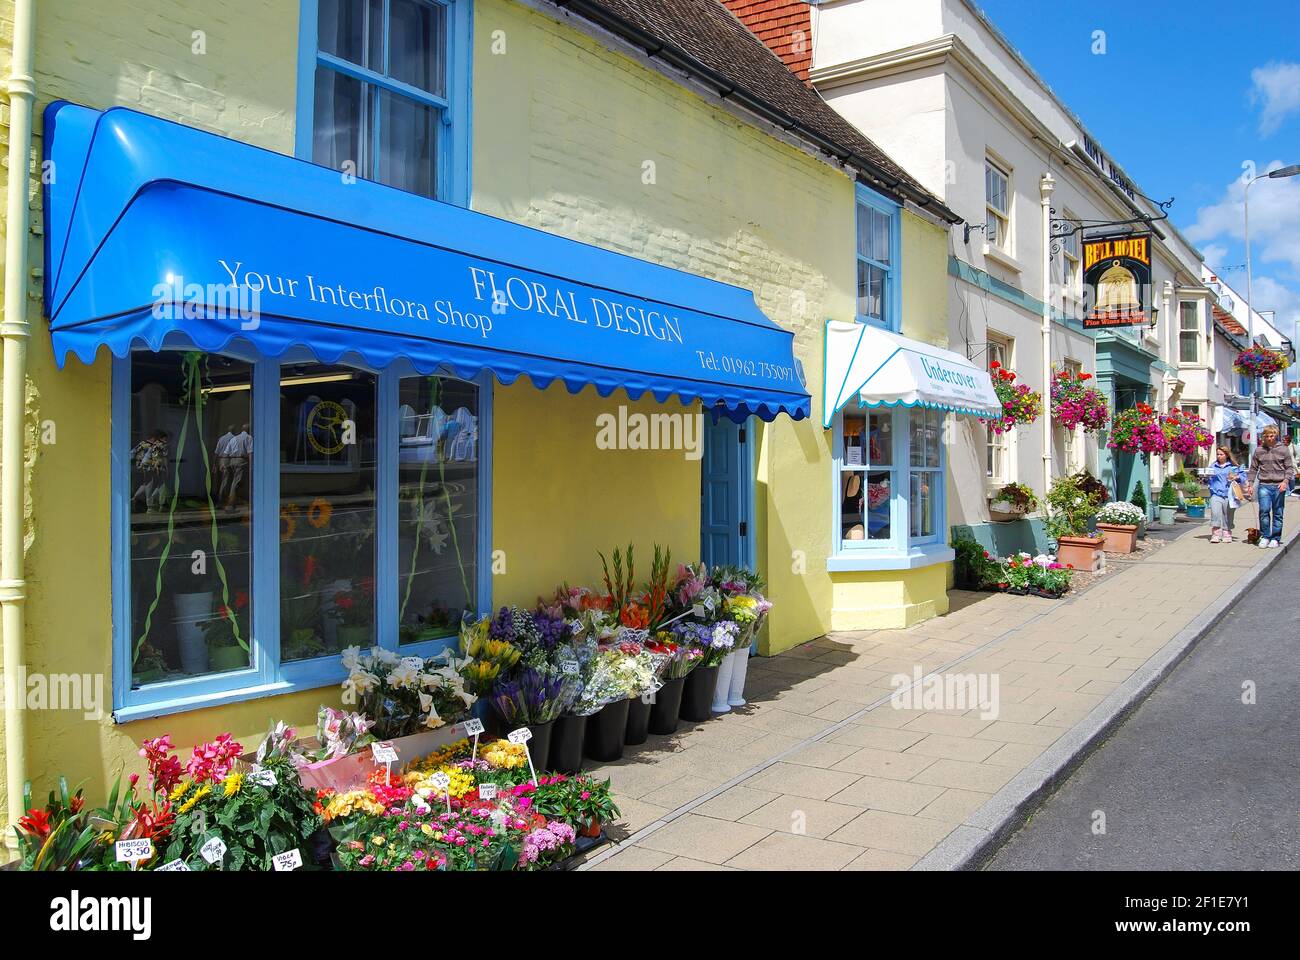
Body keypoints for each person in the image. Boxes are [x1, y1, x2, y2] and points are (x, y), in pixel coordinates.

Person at [1246, 425, 1294, 548]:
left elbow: (1289, 468)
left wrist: (1285, 481)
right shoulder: (1259, 450)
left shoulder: (1283, 449)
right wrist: (1250, 484)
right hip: (1264, 485)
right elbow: (1253, 469)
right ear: (1264, 436)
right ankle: (1265, 536)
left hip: (1279, 485)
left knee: (1278, 513)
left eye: (1271, 436)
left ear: (1275, 435)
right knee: (1264, 511)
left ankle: (1275, 538)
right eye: (1266, 436)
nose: (1269, 438)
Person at [1206, 447, 1244, 544]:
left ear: (1227, 455)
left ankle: (1227, 533)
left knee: (1228, 514)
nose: (1219, 456)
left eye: (1221, 454)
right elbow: (1208, 478)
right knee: (1215, 512)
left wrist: (1236, 477)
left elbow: (1243, 477)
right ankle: (1216, 533)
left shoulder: (1233, 466)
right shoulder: (1213, 466)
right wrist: (1206, 478)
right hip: (1216, 493)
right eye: (1218, 454)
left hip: (1229, 494)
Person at [223, 423, 253, 508]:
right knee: (236, 482)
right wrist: (251, 465)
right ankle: (231, 503)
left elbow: (226, 452)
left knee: (236, 481)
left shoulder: (234, 438)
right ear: (249, 430)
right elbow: (250, 452)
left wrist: (224, 463)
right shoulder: (249, 438)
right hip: (241, 461)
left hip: (232, 461)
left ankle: (235, 499)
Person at [215, 423, 236, 503]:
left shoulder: (221, 438)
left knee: (221, 480)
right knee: (227, 480)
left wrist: (214, 464)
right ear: (234, 430)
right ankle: (224, 499)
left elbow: (216, 452)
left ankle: (220, 497)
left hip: (221, 460)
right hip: (229, 460)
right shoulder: (234, 439)